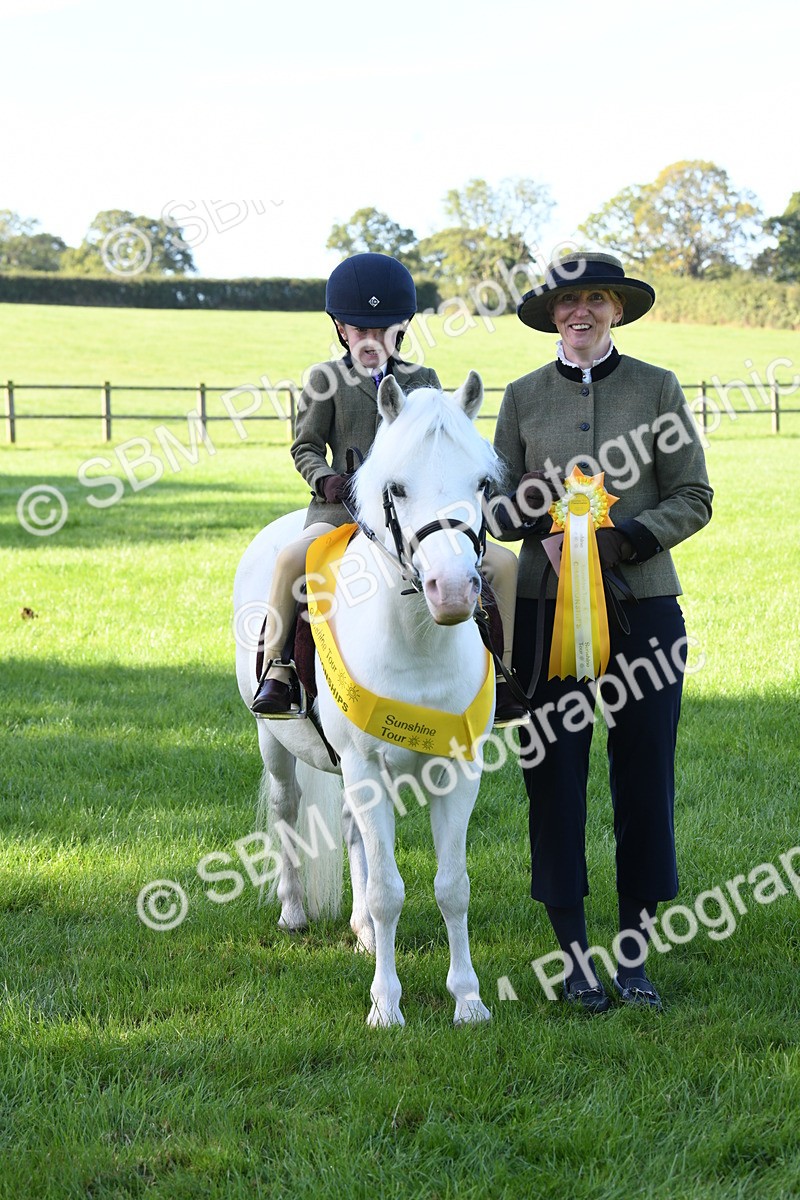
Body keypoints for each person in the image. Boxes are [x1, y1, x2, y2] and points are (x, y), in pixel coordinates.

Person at [493, 250, 713, 1012]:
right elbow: (492, 506)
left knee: (644, 778)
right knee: (553, 781)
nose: (578, 312)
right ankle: (574, 958)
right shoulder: (520, 398)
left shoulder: (658, 387)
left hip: (646, 611)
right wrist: (532, 516)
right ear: (551, 316)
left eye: (593, 300)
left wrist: (627, 538)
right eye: (564, 303)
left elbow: (694, 494)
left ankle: (635, 959)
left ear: (616, 309)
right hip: (544, 613)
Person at [251, 251, 525, 724]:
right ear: (341, 329)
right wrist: (327, 480)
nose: (372, 340)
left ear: (404, 327)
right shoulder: (326, 380)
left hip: (417, 514)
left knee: (502, 563)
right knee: (290, 559)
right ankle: (278, 668)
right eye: (361, 331)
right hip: (341, 515)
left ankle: (502, 672)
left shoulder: (424, 380)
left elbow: (441, 451)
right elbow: (305, 447)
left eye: (383, 330)